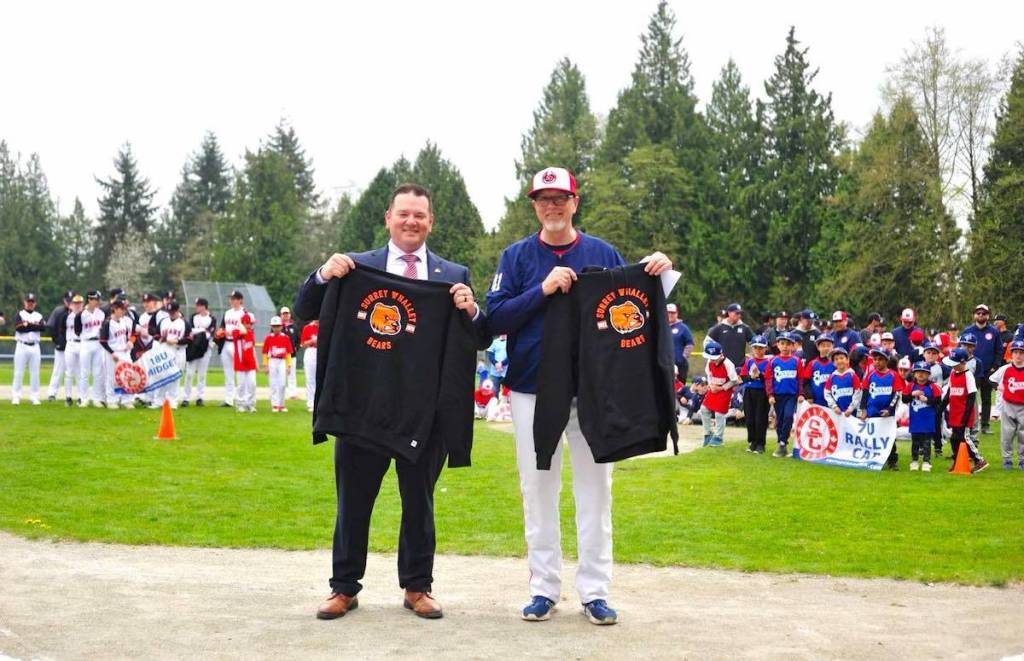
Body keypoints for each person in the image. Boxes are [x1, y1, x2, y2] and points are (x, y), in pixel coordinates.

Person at [485, 166, 672, 625]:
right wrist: (542, 290)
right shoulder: (516, 256)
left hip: (592, 391)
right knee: (538, 488)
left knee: (596, 491)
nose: (553, 206)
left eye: (560, 198)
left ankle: (594, 590)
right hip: (532, 388)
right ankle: (543, 588)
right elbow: (493, 320)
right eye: (544, 198)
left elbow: (630, 305)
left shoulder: (601, 252)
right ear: (534, 205)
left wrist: (658, 276)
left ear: (575, 202)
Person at [294, 182, 487, 622]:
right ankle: (343, 588)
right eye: (404, 214)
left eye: (420, 215)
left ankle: (418, 587)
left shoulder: (451, 275)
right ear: (388, 218)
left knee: (419, 502)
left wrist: (471, 309)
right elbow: (304, 307)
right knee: (353, 502)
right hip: (363, 403)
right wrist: (324, 274)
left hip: (426, 410)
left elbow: (480, 335)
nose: (411, 221)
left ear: (430, 221)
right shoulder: (355, 267)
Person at [941, 348, 989, 473]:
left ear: (962, 363)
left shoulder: (968, 376)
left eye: (955, 364)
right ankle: (957, 461)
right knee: (954, 439)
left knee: (965, 438)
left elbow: (971, 397)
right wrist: (940, 408)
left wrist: (966, 416)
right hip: (954, 413)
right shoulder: (952, 373)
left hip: (965, 414)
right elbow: (949, 393)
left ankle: (979, 460)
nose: (953, 366)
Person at [860, 347, 904, 470]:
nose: (877, 362)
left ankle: (892, 461)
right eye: (875, 359)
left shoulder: (893, 375)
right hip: (872, 412)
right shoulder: (870, 376)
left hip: (886, 414)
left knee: (889, 438)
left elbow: (896, 394)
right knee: (872, 437)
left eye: (880, 359)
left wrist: (889, 409)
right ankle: (873, 459)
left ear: (886, 360)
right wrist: (863, 410)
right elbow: (864, 393)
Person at [962, 304, 1002, 435]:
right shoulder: (967, 331)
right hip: (970, 371)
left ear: (988, 316)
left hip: (987, 371)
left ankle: (985, 425)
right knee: (970, 398)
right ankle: (969, 423)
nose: (980, 315)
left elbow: (999, 350)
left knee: (986, 398)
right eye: (978, 313)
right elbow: (960, 350)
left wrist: (995, 367)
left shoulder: (994, 332)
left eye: (983, 313)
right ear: (974, 315)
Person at [766, 332, 803, 458]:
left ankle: (782, 442)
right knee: (780, 420)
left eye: (788, 344)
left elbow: (800, 379)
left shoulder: (796, 361)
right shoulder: (773, 361)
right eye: (782, 343)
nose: (785, 346)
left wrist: (800, 393)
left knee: (788, 417)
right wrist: (770, 395)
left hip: (791, 395)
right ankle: (782, 445)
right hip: (778, 395)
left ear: (793, 346)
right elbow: (769, 379)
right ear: (778, 345)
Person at [988, 340, 1024, 470]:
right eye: (1016, 352)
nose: (1018, 355)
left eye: (1021, 353)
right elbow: (991, 379)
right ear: (1011, 354)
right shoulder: (1006, 369)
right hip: (1008, 405)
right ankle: (1007, 460)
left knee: (1023, 434)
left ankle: (1022, 460)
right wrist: (999, 387)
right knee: (1007, 434)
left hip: (1023, 406)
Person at [903, 362, 942, 472]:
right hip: (915, 419)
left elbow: (938, 401)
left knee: (926, 441)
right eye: (918, 372)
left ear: (928, 374)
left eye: (924, 372)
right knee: (915, 441)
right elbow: (904, 399)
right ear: (914, 374)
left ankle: (926, 461)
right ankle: (914, 461)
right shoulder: (910, 386)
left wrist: (928, 400)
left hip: (928, 419)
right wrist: (912, 394)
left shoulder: (933, 386)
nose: (920, 374)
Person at [700, 340, 739, 447]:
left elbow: (734, 380)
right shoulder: (709, 362)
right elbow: (709, 375)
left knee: (719, 414)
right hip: (713, 388)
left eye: (714, 358)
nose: (712, 360)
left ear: (721, 355)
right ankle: (708, 434)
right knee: (704, 409)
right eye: (710, 358)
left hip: (724, 391)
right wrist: (710, 385)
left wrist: (721, 388)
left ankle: (718, 437)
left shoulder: (728, 364)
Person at [99, 299, 135, 408]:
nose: (123, 311)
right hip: (112, 353)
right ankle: (112, 400)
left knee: (128, 375)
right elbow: (103, 341)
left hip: (125, 352)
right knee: (112, 377)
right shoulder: (107, 323)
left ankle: (127, 400)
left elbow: (132, 335)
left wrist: (130, 341)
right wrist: (112, 352)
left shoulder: (125, 321)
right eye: (121, 309)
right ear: (114, 309)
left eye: (124, 309)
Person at [11, 293, 45, 406]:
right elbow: (19, 328)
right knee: (18, 372)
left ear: (35, 303)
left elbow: (43, 327)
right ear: (24, 302)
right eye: (28, 301)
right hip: (21, 345)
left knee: (35, 373)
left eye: (32, 302)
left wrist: (27, 324)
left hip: (35, 346)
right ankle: (16, 396)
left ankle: (34, 397)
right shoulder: (19, 314)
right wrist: (33, 326)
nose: (30, 304)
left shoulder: (39, 315)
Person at [740, 335, 771, 453]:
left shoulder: (768, 362)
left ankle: (760, 443)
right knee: (750, 419)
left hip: (762, 392)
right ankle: (752, 441)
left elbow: (768, 379)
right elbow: (743, 377)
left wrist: (760, 375)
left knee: (760, 419)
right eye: (756, 348)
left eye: (761, 348)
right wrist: (751, 377)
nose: (758, 350)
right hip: (749, 391)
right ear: (752, 349)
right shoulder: (749, 362)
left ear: (765, 349)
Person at [218, 290, 249, 408]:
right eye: (231, 298)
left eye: (234, 298)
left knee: (241, 372)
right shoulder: (227, 313)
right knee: (228, 373)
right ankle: (228, 399)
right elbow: (222, 326)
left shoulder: (244, 313)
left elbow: (247, 330)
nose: (232, 300)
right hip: (226, 343)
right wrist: (220, 331)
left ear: (240, 300)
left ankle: (243, 398)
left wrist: (229, 332)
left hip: (238, 343)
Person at [183, 297, 216, 407]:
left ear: (203, 306)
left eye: (198, 305)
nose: (196, 307)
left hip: (205, 349)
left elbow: (209, 334)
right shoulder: (194, 317)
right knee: (189, 374)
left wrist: (200, 332)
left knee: (202, 374)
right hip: (193, 348)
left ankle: (199, 397)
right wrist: (202, 331)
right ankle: (186, 397)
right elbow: (191, 331)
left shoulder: (211, 318)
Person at [158, 302, 189, 408]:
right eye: (169, 312)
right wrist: (164, 339)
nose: (171, 313)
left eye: (173, 311)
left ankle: (173, 401)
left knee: (176, 376)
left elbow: (189, 339)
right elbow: (155, 334)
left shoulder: (184, 323)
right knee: (163, 375)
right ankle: (160, 400)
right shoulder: (163, 321)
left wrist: (177, 341)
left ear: (178, 310)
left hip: (179, 351)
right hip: (165, 350)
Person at [78, 291, 107, 408]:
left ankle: (97, 398)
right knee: (84, 372)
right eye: (96, 299)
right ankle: (84, 399)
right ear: (90, 299)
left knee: (98, 372)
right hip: (86, 343)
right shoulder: (81, 315)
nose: (98, 301)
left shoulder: (101, 314)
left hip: (98, 343)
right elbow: (77, 330)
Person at [45, 291, 74, 401]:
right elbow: (50, 327)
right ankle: (52, 393)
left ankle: (78, 395)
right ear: (64, 301)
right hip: (61, 346)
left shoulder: (78, 312)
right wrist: (57, 340)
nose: (70, 303)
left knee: (76, 371)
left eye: (71, 300)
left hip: (73, 345)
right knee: (58, 370)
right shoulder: (58, 311)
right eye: (68, 301)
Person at [706, 303, 754, 368]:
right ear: (729, 313)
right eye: (736, 313)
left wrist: (752, 356)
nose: (739, 315)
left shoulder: (745, 328)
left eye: (740, 313)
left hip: (740, 367)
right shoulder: (719, 328)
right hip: (723, 367)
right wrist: (714, 356)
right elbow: (707, 342)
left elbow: (754, 343)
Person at [262, 315, 293, 413]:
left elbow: (288, 353)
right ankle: (275, 404)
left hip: (282, 361)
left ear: (281, 326)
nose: (276, 328)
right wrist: (266, 365)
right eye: (274, 326)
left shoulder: (286, 338)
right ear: (271, 327)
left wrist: (289, 365)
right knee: (273, 383)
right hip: (272, 361)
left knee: (282, 383)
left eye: (278, 326)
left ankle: (281, 404)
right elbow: (265, 353)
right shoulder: (268, 338)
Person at [824, 346, 862, 417]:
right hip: (837, 413)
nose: (839, 361)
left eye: (841, 358)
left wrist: (851, 408)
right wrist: (834, 406)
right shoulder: (832, 377)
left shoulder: (852, 375)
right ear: (833, 363)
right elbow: (827, 393)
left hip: (851, 414)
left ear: (847, 360)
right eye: (836, 359)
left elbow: (858, 393)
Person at [232, 313, 258, 413]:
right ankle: (240, 404)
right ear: (244, 323)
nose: (251, 326)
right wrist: (240, 324)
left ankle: (250, 404)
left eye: (251, 324)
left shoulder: (251, 333)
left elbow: (253, 348)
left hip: (250, 363)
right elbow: (242, 332)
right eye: (249, 324)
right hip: (240, 364)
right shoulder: (236, 332)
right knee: (241, 385)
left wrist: (256, 363)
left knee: (252, 384)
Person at [802, 334, 836, 407]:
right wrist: (809, 395)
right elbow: (806, 382)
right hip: (816, 401)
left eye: (828, 345)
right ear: (818, 347)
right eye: (823, 346)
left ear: (833, 346)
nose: (826, 348)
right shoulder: (812, 363)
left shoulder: (836, 363)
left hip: (834, 402)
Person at [667, 303, 695, 383]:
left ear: (677, 313)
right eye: (668, 312)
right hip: (664, 364)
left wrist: (683, 357)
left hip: (680, 365)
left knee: (679, 389)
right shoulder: (661, 327)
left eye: (673, 313)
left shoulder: (683, 328)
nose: (670, 315)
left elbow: (690, 344)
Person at [279, 306, 301, 399]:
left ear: (290, 315)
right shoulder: (277, 326)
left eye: (287, 313)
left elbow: (298, 340)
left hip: (292, 355)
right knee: (281, 375)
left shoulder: (294, 327)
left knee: (292, 375)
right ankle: (281, 393)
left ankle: (292, 393)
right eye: (284, 314)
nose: (286, 315)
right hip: (280, 356)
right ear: (281, 315)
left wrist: (295, 348)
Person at [299, 318, 319, 412]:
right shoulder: (308, 327)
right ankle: (311, 403)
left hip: (321, 351)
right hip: (311, 351)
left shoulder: (325, 326)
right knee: (310, 378)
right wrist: (312, 341)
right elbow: (303, 344)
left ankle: (319, 402)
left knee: (320, 378)